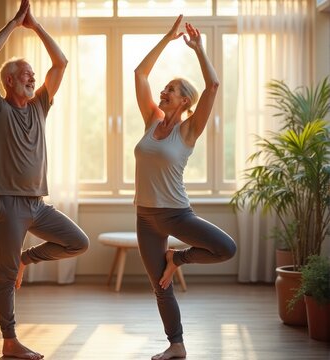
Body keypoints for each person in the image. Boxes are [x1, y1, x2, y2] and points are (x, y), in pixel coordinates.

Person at [0, 1, 89, 359]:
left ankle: (28, 258)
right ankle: (10, 341)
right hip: (7, 205)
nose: (32, 76)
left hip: (37, 205)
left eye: (32, 74)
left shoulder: (41, 105)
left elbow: (61, 64)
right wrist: (14, 23)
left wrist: (36, 25)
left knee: (77, 242)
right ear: (8, 81)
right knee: (6, 277)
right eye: (25, 73)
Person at [133, 15, 237, 360]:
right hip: (145, 218)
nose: (163, 92)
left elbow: (214, 86)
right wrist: (167, 37)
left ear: (184, 102)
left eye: (171, 90)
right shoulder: (151, 120)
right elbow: (140, 74)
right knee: (161, 285)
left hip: (177, 214)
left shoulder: (189, 130)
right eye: (164, 89)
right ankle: (176, 345)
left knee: (225, 247)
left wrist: (198, 48)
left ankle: (177, 257)